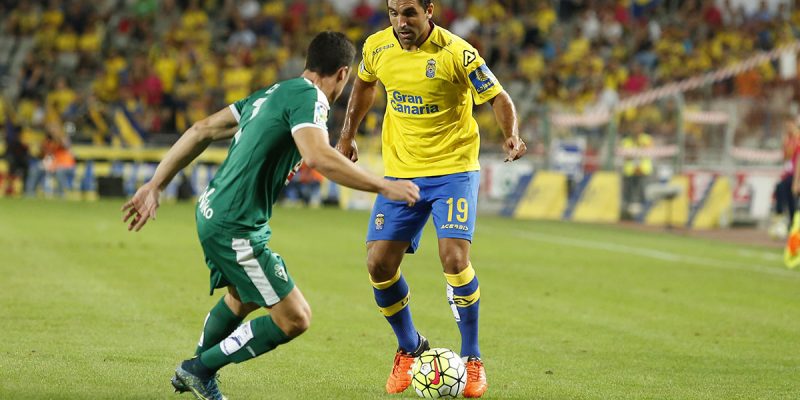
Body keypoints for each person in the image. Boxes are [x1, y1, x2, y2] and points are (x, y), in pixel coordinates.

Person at [121, 31, 420, 400]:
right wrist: (384, 186)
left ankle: (199, 369)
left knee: (242, 297)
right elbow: (317, 156)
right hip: (235, 225)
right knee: (295, 318)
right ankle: (199, 369)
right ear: (343, 74)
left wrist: (155, 184)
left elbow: (203, 129)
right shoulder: (312, 99)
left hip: (214, 211)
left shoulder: (272, 93)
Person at [336, 1, 527, 397]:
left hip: (453, 169)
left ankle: (472, 359)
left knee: (455, 259)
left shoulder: (457, 53)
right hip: (402, 172)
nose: (400, 22)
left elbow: (498, 96)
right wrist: (347, 133)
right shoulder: (376, 47)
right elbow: (365, 85)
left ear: (429, 10)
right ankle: (410, 347)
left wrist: (510, 133)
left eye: (408, 12)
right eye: (392, 13)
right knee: (378, 264)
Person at [620, 123, 653, 219]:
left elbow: (648, 151)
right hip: (629, 171)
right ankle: (627, 216)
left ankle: (643, 217)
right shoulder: (626, 141)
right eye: (634, 128)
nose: (636, 130)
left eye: (638, 127)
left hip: (644, 171)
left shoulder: (647, 139)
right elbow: (625, 156)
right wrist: (638, 152)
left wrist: (636, 150)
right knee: (628, 195)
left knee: (643, 194)